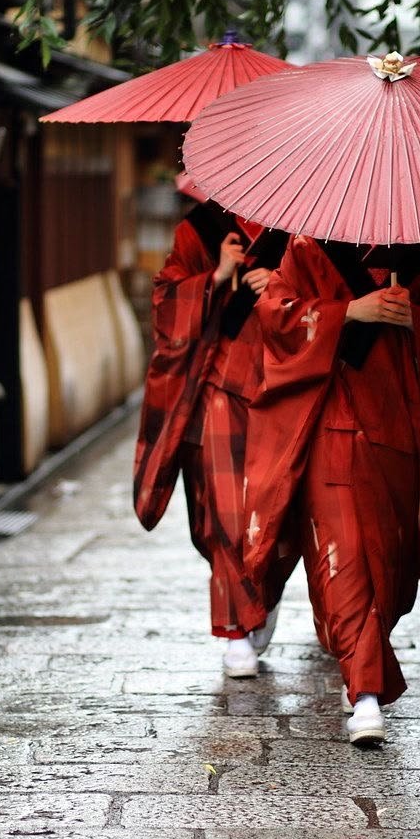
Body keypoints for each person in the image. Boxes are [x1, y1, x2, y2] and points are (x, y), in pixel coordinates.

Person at [242, 235, 420, 743]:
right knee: (345, 554)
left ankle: (363, 668)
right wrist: (350, 311)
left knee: (385, 563)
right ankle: (366, 695)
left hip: (396, 428)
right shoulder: (309, 247)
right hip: (330, 423)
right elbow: (276, 315)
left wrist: (418, 319)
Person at [134, 199, 295, 678]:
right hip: (219, 385)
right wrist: (219, 275)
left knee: (282, 514)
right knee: (224, 513)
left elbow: (330, 302)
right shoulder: (200, 229)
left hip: (285, 385)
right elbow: (165, 301)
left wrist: (287, 288)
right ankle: (236, 631)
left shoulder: (305, 226)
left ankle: (262, 596)